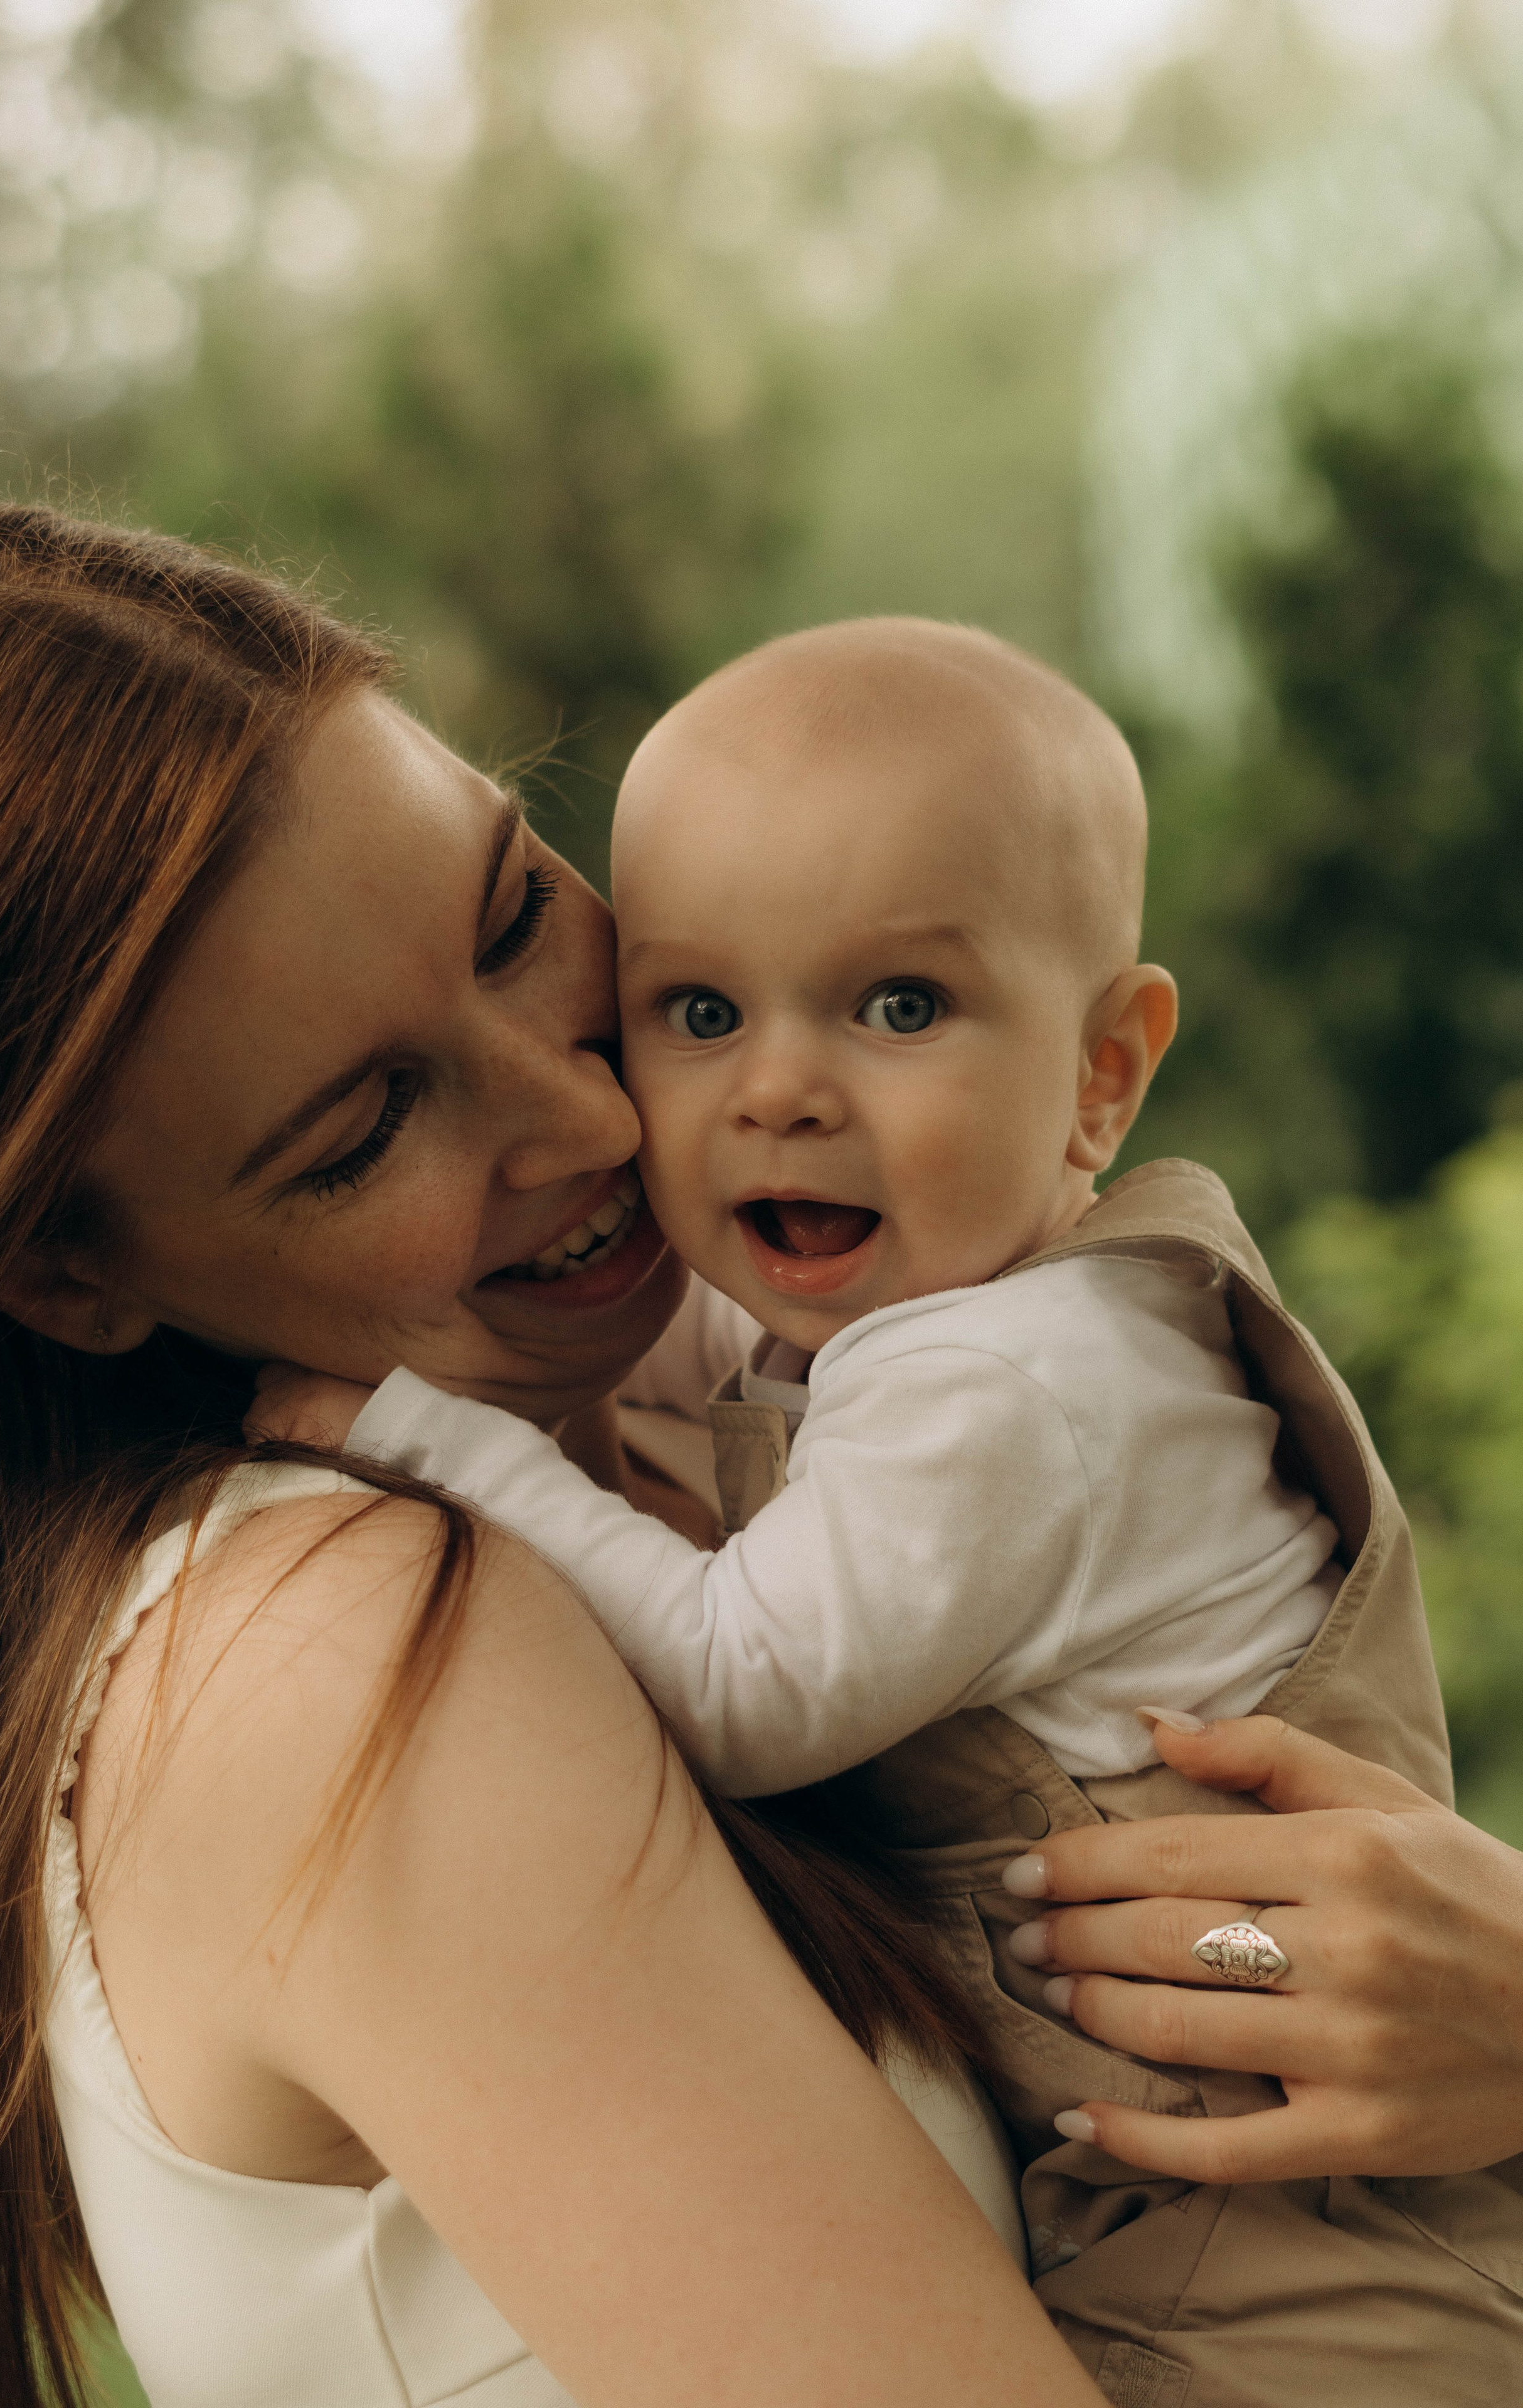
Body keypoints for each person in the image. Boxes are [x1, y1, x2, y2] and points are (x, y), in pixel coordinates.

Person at [253, 619, 1523, 2401]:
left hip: (1309, 2240)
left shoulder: (1013, 1390)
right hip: (1217, 2181)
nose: (777, 1088)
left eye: (899, 1007)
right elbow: (729, 1374)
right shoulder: (939, 1325)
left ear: (1101, 1073)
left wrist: (439, 1444)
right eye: (701, 1014)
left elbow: (744, 1685)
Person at [0, 506, 1103, 2408]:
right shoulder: (325, 1655)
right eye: (363, 1129)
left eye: (515, 914)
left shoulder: (686, 1449)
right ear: (73, 1279)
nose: (585, 1108)